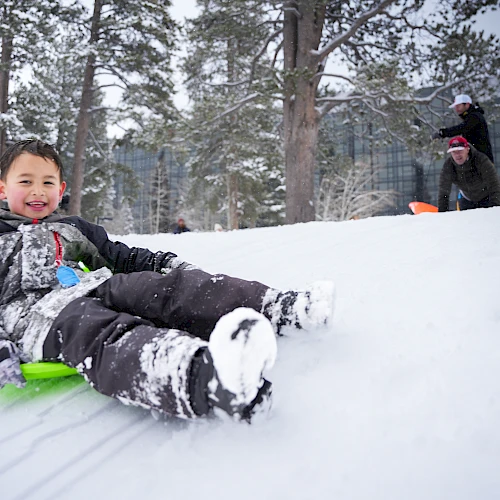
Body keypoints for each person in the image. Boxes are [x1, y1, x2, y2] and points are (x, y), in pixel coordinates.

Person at [0, 140, 335, 422]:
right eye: (25, 181)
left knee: (158, 288)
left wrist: (166, 265)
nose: (37, 191)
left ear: (60, 189)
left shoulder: (73, 229)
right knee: (101, 332)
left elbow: (121, 257)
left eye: (47, 183)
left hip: (91, 288)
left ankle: (282, 307)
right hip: (37, 319)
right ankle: (212, 380)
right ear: (2, 187)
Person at [437, 136, 500, 212]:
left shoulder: (481, 160)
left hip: (487, 197)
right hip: (466, 199)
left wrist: (495, 207)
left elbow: (494, 185)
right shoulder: (448, 166)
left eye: (460, 151)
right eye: (454, 152)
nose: (457, 155)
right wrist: (442, 214)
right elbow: (443, 192)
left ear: (467, 149)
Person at [431, 94, 494, 163]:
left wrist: (443, 133)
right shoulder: (472, 116)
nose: (456, 109)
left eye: (458, 106)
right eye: (455, 106)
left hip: (482, 161)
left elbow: (461, 128)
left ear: (467, 105)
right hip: (478, 159)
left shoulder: (475, 116)